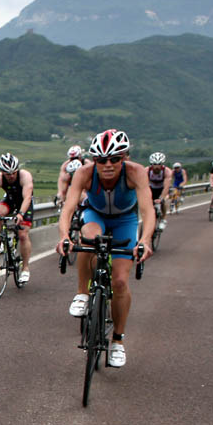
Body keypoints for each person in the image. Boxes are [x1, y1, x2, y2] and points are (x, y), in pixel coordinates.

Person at [55, 129, 154, 367]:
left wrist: (145, 240)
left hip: (124, 221)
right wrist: (64, 236)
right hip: (95, 214)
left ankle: (118, 341)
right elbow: (69, 208)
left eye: (115, 159)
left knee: (120, 281)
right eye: (101, 160)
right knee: (88, 239)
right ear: (95, 160)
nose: (107, 165)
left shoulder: (136, 173)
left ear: (125, 158)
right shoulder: (84, 173)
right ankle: (82, 293)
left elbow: (148, 210)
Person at [0, 152, 34, 284]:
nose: (11, 176)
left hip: (24, 202)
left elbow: (27, 197)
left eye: (14, 172)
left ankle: (25, 268)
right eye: (7, 174)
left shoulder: (25, 176)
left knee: (22, 234)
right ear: (2, 172)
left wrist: (20, 214)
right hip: (9, 200)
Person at [146, 152, 172, 231]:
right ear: (151, 164)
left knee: (163, 202)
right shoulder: (146, 171)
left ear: (162, 164)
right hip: (151, 189)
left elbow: (166, 187)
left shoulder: (167, 171)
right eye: (154, 164)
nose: (157, 166)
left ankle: (163, 219)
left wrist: (161, 198)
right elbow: (144, 186)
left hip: (162, 189)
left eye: (159, 164)